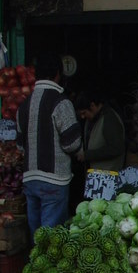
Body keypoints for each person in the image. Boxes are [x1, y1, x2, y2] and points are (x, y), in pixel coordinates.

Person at [16, 50, 82, 241]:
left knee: (37, 237)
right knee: (51, 241)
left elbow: (20, 147)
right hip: (54, 181)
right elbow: (72, 143)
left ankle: (35, 269)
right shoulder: (61, 103)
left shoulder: (24, 105)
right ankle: (43, 271)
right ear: (58, 74)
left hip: (30, 179)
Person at [74, 87, 126, 172]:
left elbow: (116, 148)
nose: (83, 117)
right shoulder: (92, 119)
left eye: (84, 113)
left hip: (108, 175)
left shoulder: (109, 119)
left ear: (92, 105)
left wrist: (87, 155)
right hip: (96, 175)